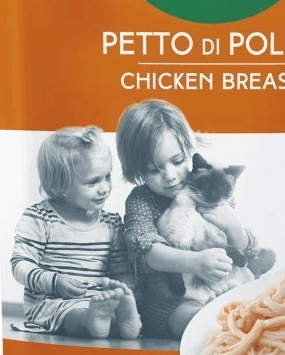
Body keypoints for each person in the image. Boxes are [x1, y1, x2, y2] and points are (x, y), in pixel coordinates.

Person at [116, 100, 274, 339]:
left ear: (189, 150)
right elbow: (147, 252)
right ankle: (218, 325)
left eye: (177, 161)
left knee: (256, 295)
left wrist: (233, 225)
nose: (170, 176)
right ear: (137, 170)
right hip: (173, 298)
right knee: (192, 319)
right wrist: (195, 262)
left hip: (222, 284)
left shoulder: (207, 185)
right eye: (154, 169)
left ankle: (243, 317)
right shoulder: (141, 200)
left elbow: (247, 252)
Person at [10, 126, 141, 339]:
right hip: (53, 301)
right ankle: (91, 321)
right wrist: (55, 281)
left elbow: (122, 270)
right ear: (61, 185)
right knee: (73, 316)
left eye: (107, 177)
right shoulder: (40, 218)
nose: (105, 188)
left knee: (112, 314)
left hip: (99, 301)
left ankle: (123, 321)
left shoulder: (111, 223)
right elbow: (20, 265)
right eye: (93, 181)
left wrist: (124, 290)